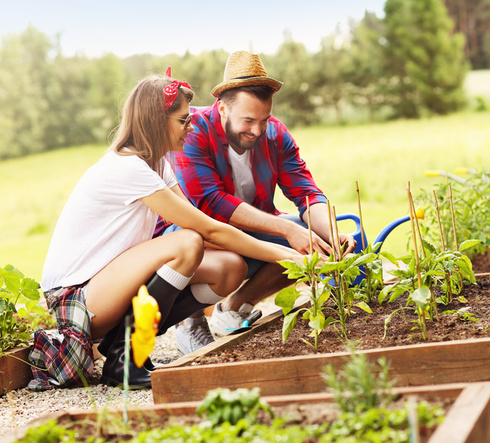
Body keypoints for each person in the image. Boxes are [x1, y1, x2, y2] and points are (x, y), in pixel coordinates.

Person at [28, 69, 307, 390]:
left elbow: (209, 228)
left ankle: (127, 345)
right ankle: (126, 358)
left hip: (107, 285)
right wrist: (288, 255)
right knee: (187, 242)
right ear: (157, 122)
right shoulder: (127, 166)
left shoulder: (157, 164)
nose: (190, 128)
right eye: (183, 121)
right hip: (76, 300)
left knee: (230, 267)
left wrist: (285, 253)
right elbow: (206, 230)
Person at [159, 51, 355, 354]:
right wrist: (287, 230)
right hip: (189, 236)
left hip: (247, 232)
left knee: (307, 237)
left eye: (263, 119)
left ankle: (235, 307)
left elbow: (305, 191)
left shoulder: (275, 133)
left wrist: (328, 231)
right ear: (223, 108)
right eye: (247, 120)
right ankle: (190, 321)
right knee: (279, 234)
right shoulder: (192, 129)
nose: (257, 130)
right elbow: (208, 203)